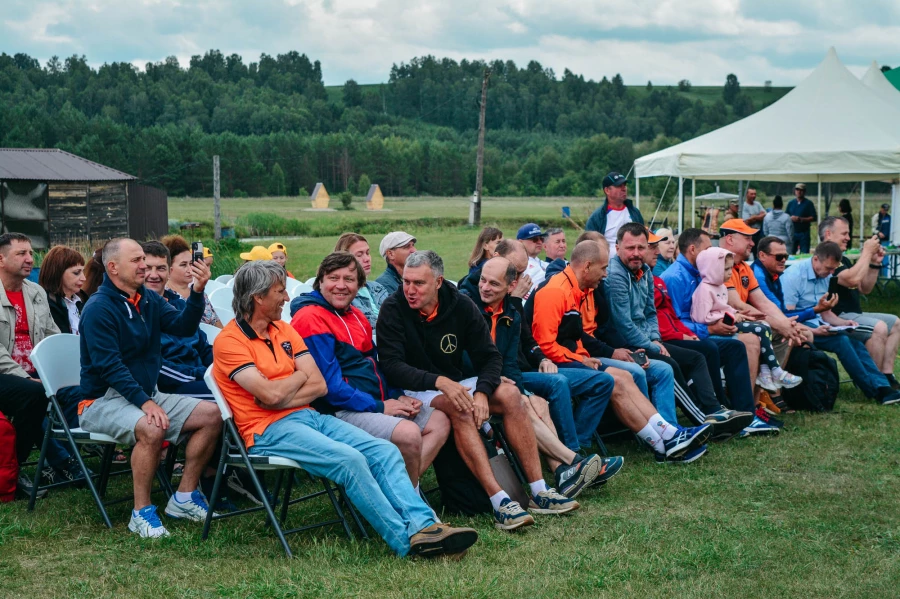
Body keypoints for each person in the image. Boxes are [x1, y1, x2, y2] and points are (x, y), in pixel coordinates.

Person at [213, 260, 477, 558]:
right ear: (258, 297)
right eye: (279, 292)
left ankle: (426, 527)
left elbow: (318, 386)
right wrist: (293, 383)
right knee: (350, 460)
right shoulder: (230, 342)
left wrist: (286, 387)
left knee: (384, 452)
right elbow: (271, 396)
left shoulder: (283, 330)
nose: (286, 298)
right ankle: (408, 543)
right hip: (268, 430)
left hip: (309, 416)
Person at [377, 250, 578, 530]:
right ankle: (500, 502)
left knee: (511, 396)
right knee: (458, 404)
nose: (410, 290)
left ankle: (539, 490)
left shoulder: (459, 303)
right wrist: (440, 382)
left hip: (454, 383)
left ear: (438, 282)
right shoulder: (393, 308)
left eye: (418, 283)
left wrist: (483, 391)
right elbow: (391, 365)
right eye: (406, 282)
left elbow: (490, 357)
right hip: (413, 390)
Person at [78, 238, 223, 537]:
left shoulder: (146, 298)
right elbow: (109, 367)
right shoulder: (98, 308)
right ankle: (141, 512)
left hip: (144, 393)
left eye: (143, 258)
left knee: (213, 414)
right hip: (101, 401)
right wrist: (146, 402)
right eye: (137, 260)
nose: (144, 265)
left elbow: (183, 326)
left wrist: (197, 291)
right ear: (113, 267)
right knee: (151, 428)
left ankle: (183, 497)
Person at [531, 240, 712, 462]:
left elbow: (576, 336)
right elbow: (545, 345)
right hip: (557, 363)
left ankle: (667, 436)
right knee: (615, 380)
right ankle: (660, 443)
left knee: (625, 376)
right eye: (604, 268)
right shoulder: (555, 291)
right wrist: (582, 359)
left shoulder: (575, 289)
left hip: (575, 358)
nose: (606, 274)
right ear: (587, 266)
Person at [464, 256, 622, 497]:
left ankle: (564, 473)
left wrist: (520, 387)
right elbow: (466, 359)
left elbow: (509, 362)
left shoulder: (511, 314)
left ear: (510, 287)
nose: (485, 287)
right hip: (475, 383)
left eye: (494, 284)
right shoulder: (468, 307)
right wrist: (504, 384)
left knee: (537, 402)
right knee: (531, 398)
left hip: (502, 380)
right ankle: (576, 460)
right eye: (483, 281)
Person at [291, 251, 450, 489]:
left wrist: (398, 395)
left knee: (440, 421)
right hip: (337, 412)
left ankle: (400, 492)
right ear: (320, 281)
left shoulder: (355, 315)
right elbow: (330, 388)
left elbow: (377, 365)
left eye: (349, 279)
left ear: (359, 285)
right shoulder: (310, 318)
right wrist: (380, 406)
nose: (341, 286)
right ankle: (407, 501)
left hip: (371, 402)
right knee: (408, 433)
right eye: (334, 278)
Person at [606, 225, 753, 436]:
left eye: (641, 247)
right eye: (631, 248)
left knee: (697, 356)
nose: (637, 253)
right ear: (618, 247)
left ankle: (716, 411)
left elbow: (650, 313)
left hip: (647, 340)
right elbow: (623, 324)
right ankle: (703, 421)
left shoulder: (645, 272)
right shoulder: (616, 276)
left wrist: (655, 339)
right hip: (624, 344)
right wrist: (653, 344)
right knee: (671, 364)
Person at [659, 228, 776, 435]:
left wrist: (733, 317)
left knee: (736, 347)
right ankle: (721, 410)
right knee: (713, 347)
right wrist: (708, 328)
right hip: (683, 338)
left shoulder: (702, 273)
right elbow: (673, 321)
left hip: (703, 330)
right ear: (693, 250)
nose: (711, 253)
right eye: (707, 249)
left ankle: (745, 414)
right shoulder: (675, 277)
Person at [779, 241, 900, 405]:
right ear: (815, 260)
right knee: (842, 341)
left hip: (819, 323)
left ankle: (883, 385)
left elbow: (826, 313)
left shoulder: (826, 274)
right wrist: (814, 331)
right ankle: (875, 391)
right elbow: (787, 317)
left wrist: (844, 322)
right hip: (800, 327)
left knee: (853, 339)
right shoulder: (794, 276)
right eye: (829, 268)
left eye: (834, 269)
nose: (832, 272)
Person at [692, 247, 802, 391]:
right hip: (717, 328)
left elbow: (726, 308)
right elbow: (701, 317)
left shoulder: (720, 287)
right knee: (760, 328)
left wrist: (739, 314)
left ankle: (766, 371)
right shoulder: (705, 290)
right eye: (725, 269)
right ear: (711, 268)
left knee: (763, 325)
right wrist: (732, 316)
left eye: (730, 269)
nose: (729, 273)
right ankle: (775, 371)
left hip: (729, 322)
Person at [0, 233, 57, 499]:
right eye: (21, 253)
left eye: (31, 252)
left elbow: (51, 335)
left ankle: (68, 462)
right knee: (34, 394)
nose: (30, 258)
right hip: (6, 373)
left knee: (78, 388)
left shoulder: (35, 292)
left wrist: (58, 370)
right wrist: (26, 377)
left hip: (36, 371)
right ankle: (16, 467)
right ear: (1, 259)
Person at [819, 216, 900, 387]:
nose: (848, 237)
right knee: (878, 327)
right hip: (837, 316)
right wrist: (867, 252)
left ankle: (886, 375)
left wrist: (874, 264)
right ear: (828, 234)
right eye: (845, 233)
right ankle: (874, 383)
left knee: (895, 323)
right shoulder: (824, 258)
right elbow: (852, 280)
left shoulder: (844, 259)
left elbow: (865, 288)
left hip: (855, 314)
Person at [141, 241, 214, 400]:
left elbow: (204, 348)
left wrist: (228, 367)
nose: (154, 275)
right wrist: (204, 375)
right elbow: (157, 367)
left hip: (200, 377)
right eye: (148, 268)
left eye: (161, 268)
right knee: (232, 397)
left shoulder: (180, 304)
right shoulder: (137, 311)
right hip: (168, 388)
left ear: (169, 272)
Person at [162, 235, 222, 328]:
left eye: (191, 263)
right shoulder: (164, 296)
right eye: (183, 265)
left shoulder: (198, 290)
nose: (190, 269)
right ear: (169, 268)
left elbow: (216, 322)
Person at [333, 233, 390, 327]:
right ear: (343, 260)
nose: (367, 259)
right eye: (359, 255)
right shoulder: (343, 295)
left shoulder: (377, 287)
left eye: (367, 253)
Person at [585, 172, 645, 249]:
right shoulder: (597, 217)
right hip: (607, 260)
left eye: (625, 185)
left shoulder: (635, 212)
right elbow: (588, 246)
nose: (624, 189)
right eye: (619, 186)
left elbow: (643, 238)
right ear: (607, 190)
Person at [38, 246, 85, 335]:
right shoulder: (45, 303)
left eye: (83, 272)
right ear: (57, 272)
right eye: (76, 273)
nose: (84, 278)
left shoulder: (84, 299)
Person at [376, 231, 416, 295]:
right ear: (391, 254)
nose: (414, 250)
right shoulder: (383, 285)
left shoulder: (413, 278)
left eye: (413, 245)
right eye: (407, 247)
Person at [516, 223, 548, 296]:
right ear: (520, 242)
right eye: (535, 239)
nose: (539, 242)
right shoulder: (517, 265)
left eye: (541, 239)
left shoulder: (543, 263)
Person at [786, 183, 817, 254]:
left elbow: (814, 217)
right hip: (792, 232)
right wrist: (791, 218)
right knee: (791, 253)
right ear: (794, 191)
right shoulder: (791, 203)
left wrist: (801, 219)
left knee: (804, 253)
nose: (799, 192)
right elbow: (786, 215)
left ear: (804, 192)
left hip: (804, 233)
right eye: (797, 190)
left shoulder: (808, 203)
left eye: (801, 190)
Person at [741, 187, 765, 258]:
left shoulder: (757, 204)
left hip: (758, 233)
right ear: (747, 195)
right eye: (751, 194)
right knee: (747, 254)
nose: (754, 196)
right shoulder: (744, 206)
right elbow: (746, 221)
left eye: (755, 194)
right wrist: (758, 217)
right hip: (749, 233)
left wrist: (753, 217)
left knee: (758, 253)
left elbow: (764, 214)